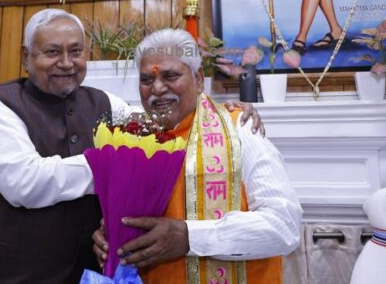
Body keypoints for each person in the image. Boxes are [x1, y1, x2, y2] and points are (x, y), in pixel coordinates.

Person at [0, 9, 264, 283]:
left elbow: (163, 121)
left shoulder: (105, 103)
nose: (66, 62)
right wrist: (112, 166)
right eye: (52, 52)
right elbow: (26, 183)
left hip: (82, 271)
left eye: (76, 51)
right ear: (26, 57)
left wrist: (221, 112)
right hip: (7, 270)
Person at [93, 29, 302, 283]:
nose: (157, 88)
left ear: (199, 78)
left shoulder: (239, 129)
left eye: (171, 76)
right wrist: (111, 235)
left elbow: (285, 226)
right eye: (147, 79)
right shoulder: (132, 139)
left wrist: (189, 237)